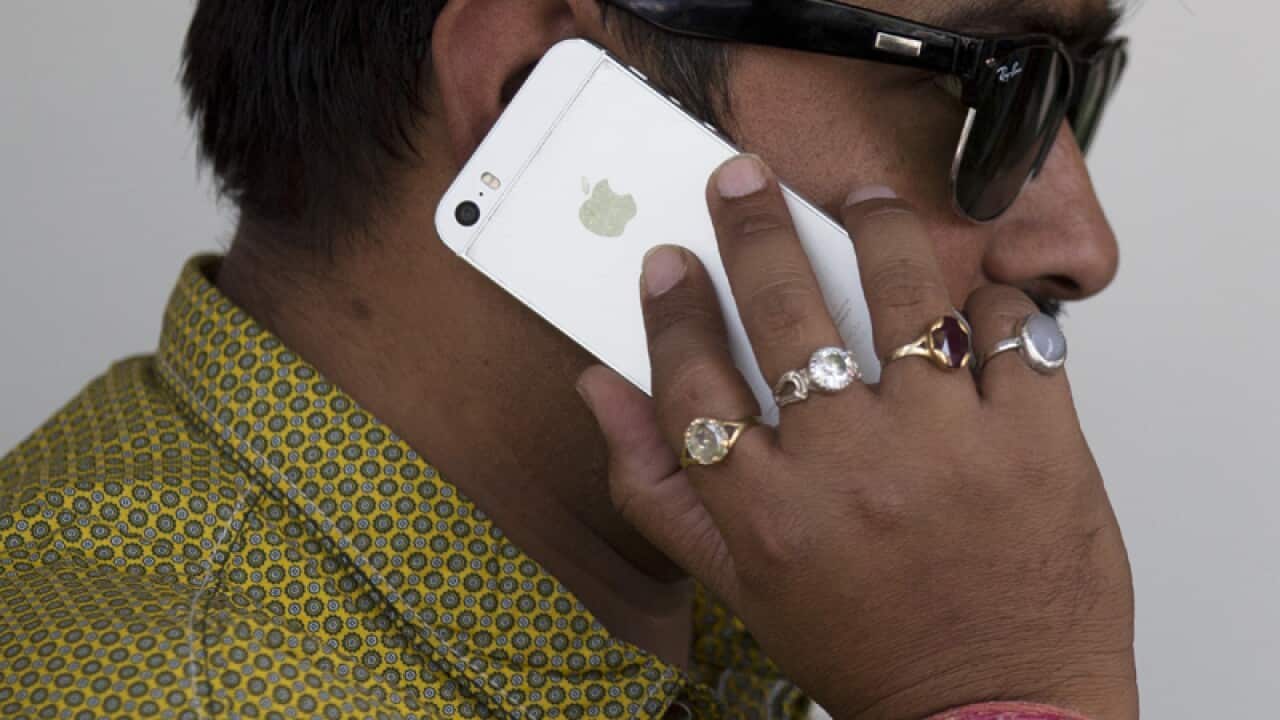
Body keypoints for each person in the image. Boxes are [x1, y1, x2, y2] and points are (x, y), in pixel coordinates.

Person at [0, 1, 1138, 718]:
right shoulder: (175, 694)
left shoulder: (805, 604)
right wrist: (1000, 696)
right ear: (533, 93)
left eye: (1076, 92)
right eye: (993, 88)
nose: (1082, 246)